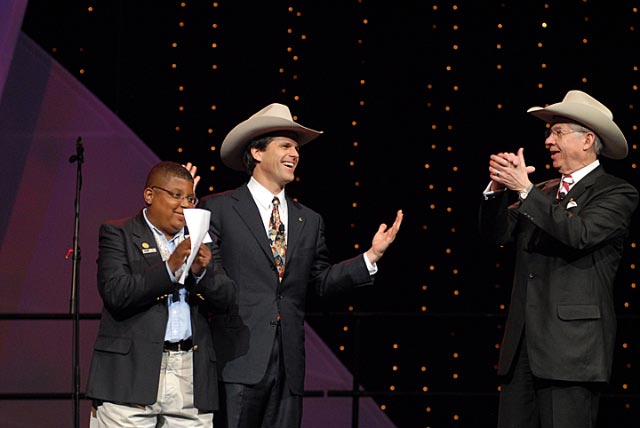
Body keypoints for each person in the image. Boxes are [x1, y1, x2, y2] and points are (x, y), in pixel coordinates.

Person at [198, 103, 403, 428]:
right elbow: (208, 280)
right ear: (257, 151)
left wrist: (370, 258)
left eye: (296, 147)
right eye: (285, 145)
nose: (295, 153)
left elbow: (319, 283)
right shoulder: (218, 209)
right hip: (237, 359)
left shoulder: (308, 219)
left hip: (288, 364)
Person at [479, 90, 639, 428]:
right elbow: (497, 236)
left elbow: (579, 234)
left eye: (558, 132)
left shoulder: (616, 192)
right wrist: (496, 190)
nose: (548, 139)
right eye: (550, 132)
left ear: (587, 140)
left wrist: (526, 190)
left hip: (571, 351)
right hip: (522, 349)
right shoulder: (544, 191)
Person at [86, 161, 236, 427]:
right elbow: (116, 293)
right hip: (130, 376)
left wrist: (201, 275)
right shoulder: (118, 232)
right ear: (149, 195)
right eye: (175, 195)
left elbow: (227, 298)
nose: (184, 205)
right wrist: (170, 267)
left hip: (190, 375)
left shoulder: (200, 238)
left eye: (190, 198)